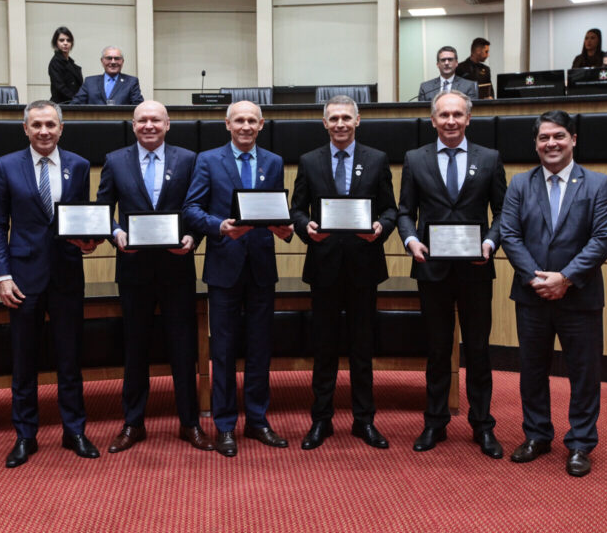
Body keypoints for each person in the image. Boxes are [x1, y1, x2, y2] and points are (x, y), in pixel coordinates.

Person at [500, 110, 607, 477]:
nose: (551, 144)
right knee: (532, 370)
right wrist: (538, 278)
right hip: (532, 294)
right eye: (543, 138)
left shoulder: (599, 184)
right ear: (536, 144)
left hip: (579, 297)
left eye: (558, 136)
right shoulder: (520, 184)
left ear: (573, 140)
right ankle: (536, 435)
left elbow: (603, 238)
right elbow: (509, 234)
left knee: (584, 373)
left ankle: (581, 442)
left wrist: (565, 278)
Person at [95, 100, 215, 453]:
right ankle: (133, 423)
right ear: (133, 126)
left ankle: (189, 423)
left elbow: (199, 210)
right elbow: (105, 211)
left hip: (177, 268)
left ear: (167, 125)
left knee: (183, 347)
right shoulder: (115, 160)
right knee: (135, 347)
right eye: (142, 120)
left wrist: (195, 238)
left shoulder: (189, 159)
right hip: (133, 269)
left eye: (155, 120)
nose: (149, 125)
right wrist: (115, 234)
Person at [0, 100, 100, 468]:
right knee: (24, 360)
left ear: (61, 128)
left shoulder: (80, 165)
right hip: (22, 279)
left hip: (67, 275)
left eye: (50, 124)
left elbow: (81, 218)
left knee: (70, 359)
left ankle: (74, 430)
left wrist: (89, 240)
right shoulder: (6, 166)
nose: (44, 131)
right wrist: (2, 275)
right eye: (36, 125)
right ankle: (25, 435)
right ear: (25, 128)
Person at [397, 89, 507, 458]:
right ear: (433, 120)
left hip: (476, 269)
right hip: (432, 270)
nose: (450, 121)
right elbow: (403, 212)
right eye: (443, 115)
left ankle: (482, 425)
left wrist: (491, 244)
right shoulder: (414, 158)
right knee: (437, 350)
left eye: (457, 114)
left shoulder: (490, 158)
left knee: (478, 350)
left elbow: (503, 213)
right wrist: (411, 240)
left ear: (468, 118)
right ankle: (435, 422)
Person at [183, 100, 294, 457]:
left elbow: (276, 209)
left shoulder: (274, 162)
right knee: (225, 349)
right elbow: (191, 209)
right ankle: (225, 425)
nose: (245, 126)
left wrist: (284, 226)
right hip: (224, 266)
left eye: (252, 121)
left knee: (260, 348)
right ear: (227, 124)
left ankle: (258, 421)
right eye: (239, 121)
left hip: (261, 266)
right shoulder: (208, 160)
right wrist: (219, 226)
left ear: (262, 125)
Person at [289, 95, 397, 451]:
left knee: (362, 347)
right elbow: (297, 210)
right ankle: (321, 421)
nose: (339, 124)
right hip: (324, 267)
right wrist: (308, 228)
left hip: (364, 266)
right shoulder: (308, 161)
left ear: (357, 121)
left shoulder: (377, 159)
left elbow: (390, 210)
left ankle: (364, 421)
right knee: (324, 348)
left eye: (345, 118)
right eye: (333, 118)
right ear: (324, 123)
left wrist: (380, 227)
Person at [70, 45, 144, 105]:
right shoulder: (90, 82)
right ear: (102, 61)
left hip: (121, 122)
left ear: (122, 61)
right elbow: (75, 105)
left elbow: (139, 106)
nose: (113, 62)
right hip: (94, 122)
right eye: (109, 58)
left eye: (117, 58)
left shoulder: (131, 82)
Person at [48, 26, 83, 104]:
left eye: (68, 40)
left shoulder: (71, 63)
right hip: (62, 105)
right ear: (56, 43)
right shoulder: (55, 63)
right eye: (61, 40)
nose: (65, 43)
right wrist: (76, 99)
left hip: (72, 103)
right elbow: (60, 87)